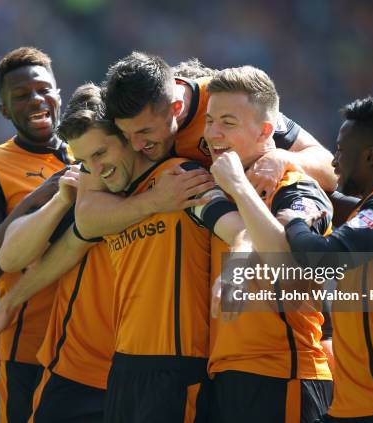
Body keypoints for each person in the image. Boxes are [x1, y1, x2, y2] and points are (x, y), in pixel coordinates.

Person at [213, 95, 373, 422]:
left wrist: (293, 220)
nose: (335, 162)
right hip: (358, 405)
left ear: (370, 156)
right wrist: (287, 160)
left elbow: (322, 259)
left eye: (342, 150)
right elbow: (330, 199)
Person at [64, 83, 250, 423]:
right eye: (85, 161)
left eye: (100, 154)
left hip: (176, 371)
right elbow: (85, 222)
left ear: (127, 138)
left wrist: (237, 263)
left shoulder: (180, 177)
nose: (95, 169)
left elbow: (238, 229)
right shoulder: (115, 202)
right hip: (122, 367)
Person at [74, 51, 337, 240]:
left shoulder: (225, 100)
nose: (136, 144)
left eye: (146, 131)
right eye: (126, 133)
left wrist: (282, 158)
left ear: (175, 109)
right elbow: (86, 220)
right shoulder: (120, 119)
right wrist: (153, 201)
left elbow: (330, 168)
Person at [205, 66, 333, 423]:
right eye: (210, 121)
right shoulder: (218, 183)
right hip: (229, 374)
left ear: (266, 130)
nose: (213, 134)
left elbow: (289, 270)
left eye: (228, 123)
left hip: (286, 375)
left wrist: (240, 185)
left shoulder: (297, 187)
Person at [0, 46, 73, 423]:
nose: (36, 100)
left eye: (43, 89)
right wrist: (34, 202)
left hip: (95, 350)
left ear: (59, 94)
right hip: (27, 351)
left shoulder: (92, 157)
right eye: (21, 96)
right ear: (5, 110)